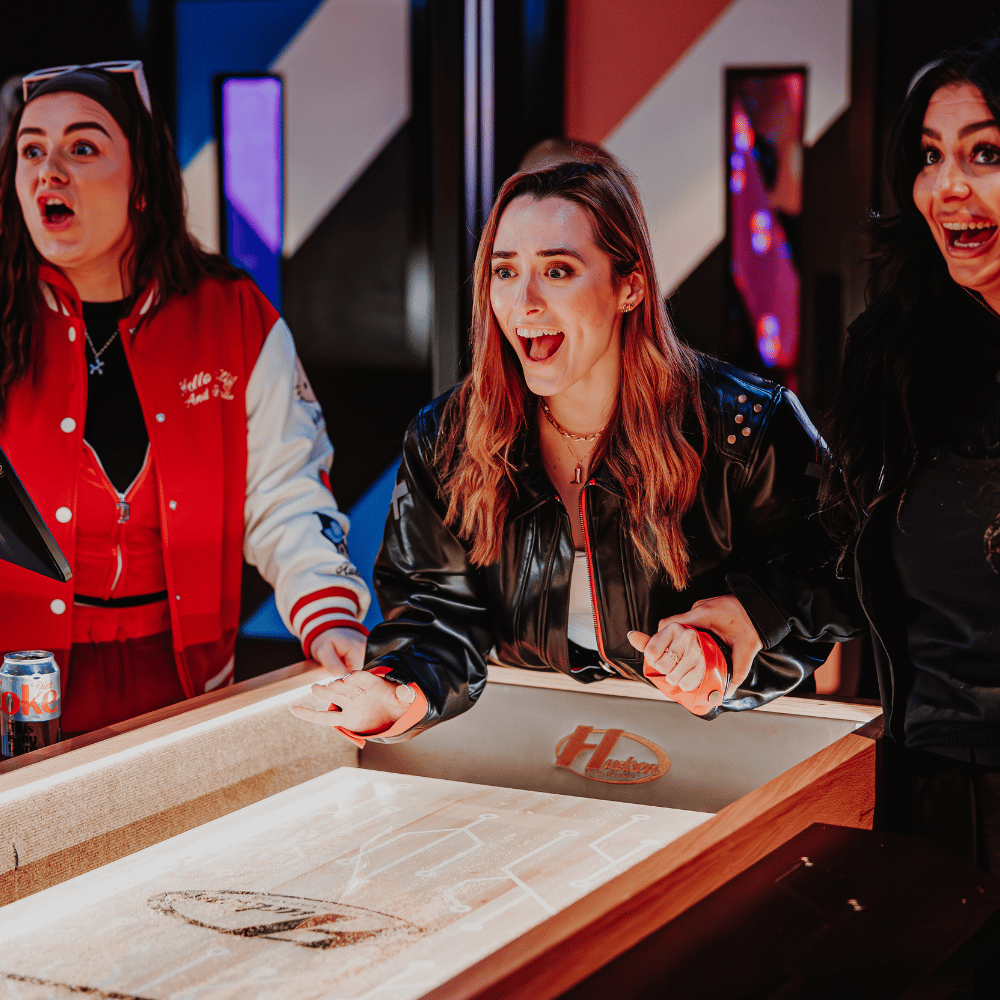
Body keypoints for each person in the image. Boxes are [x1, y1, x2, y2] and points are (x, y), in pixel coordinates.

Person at [292, 157, 857, 743]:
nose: (524, 302)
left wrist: (735, 629)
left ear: (629, 285)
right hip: (532, 746)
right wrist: (398, 691)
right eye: (504, 272)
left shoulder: (747, 425)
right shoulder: (446, 439)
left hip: (732, 754)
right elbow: (435, 611)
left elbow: (840, 570)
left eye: (557, 271)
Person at [0, 62, 369, 734]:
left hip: (185, 691)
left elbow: (286, 494)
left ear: (141, 180)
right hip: (17, 690)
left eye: (82, 147)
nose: (49, 169)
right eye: (31, 149)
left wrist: (328, 611)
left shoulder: (234, 316)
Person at [819, 39, 1000, 873]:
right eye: (930, 156)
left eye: (986, 153)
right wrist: (742, 624)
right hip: (935, 790)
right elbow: (834, 551)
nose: (949, 186)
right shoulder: (891, 352)